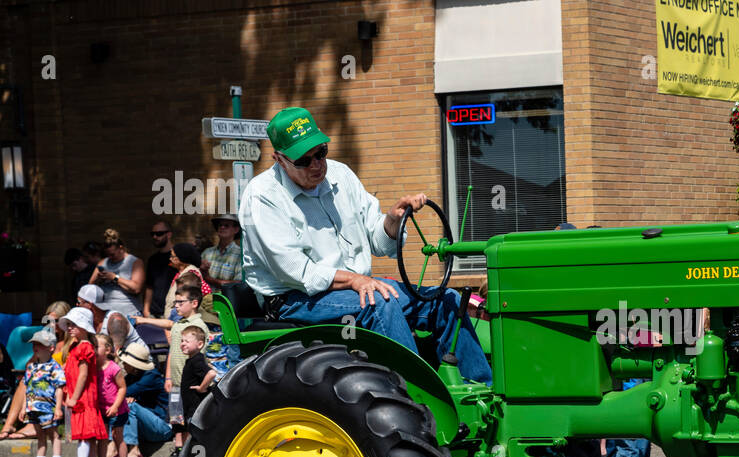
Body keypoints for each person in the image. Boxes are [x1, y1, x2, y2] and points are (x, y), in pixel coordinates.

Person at [239, 106, 489, 380]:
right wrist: (356, 280)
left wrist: (393, 220)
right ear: (279, 159)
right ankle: (421, 400)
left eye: (320, 153)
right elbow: (296, 271)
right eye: (304, 160)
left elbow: (378, 239)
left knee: (447, 300)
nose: (316, 165)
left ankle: (478, 395)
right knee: (380, 303)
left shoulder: (341, 175)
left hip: (355, 288)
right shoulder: (262, 196)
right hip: (293, 298)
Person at [162, 283, 209, 457]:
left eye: (180, 302)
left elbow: (207, 368)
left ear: (194, 303)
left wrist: (202, 386)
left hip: (190, 385)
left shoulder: (198, 327)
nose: (176, 306)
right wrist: (167, 376)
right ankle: (180, 454)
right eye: (175, 302)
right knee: (177, 421)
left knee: (191, 421)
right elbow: (172, 352)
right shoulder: (179, 326)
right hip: (175, 383)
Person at [58, 307, 107, 457]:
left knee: (83, 436)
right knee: (88, 435)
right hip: (85, 396)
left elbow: (84, 374)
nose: (70, 328)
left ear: (84, 326)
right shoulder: (78, 346)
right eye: (68, 325)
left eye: (74, 325)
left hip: (83, 397)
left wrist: (74, 397)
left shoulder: (83, 347)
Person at [13, 330, 65, 457]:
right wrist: (23, 407)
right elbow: (27, 389)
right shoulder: (31, 368)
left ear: (51, 348)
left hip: (48, 406)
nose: (36, 347)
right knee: (40, 435)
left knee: (53, 434)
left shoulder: (54, 367)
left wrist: (58, 408)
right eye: (34, 344)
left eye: (40, 344)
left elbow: (59, 388)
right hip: (32, 406)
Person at [120, 342, 169, 457]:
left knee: (129, 406)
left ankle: (135, 452)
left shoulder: (151, 376)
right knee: (119, 406)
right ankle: (113, 448)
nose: (123, 365)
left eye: (126, 363)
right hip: (146, 427)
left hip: (162, 427)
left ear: (134, 365)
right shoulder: (130, 377)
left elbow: (126, 391)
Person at [88, 228, 145, 317]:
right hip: (105, 308)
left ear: (120, 248)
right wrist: (99, 279)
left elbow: (136, 288)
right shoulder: (103, 262)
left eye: (113, 254)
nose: (110, 257)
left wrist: (115, 278)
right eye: (108, 254)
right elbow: (89, 287)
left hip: (127, 309)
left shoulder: (135, 262)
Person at [77, 283, 147, 353]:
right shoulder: (88, 321)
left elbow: (114, 354)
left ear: (90, 305)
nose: (76, 305)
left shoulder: (115, 320)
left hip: (137, 361)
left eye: (79, 302)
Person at [96, 334, 129, 457]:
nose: (93, 349)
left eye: (97, 346)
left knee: (117, 436)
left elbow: (122, 388)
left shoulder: (113, 368)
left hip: (118, 409)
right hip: (101, 409)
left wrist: (115, 406)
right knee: (102, 438)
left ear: (108, 350)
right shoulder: (93, 368)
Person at [142, 220, 177, 318]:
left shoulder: (179, 257)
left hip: (173, 313)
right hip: (153, 313)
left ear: (169, 234)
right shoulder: (153, 259)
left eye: (159, 234)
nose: (155, 237)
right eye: (152, 234)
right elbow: (149, 287)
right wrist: (146, 310)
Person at [201, 216, 243, 289]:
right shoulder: (207, 252)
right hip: (205, 298)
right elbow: (196, 275)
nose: (222, 227)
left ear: (236, 230)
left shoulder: (240, 255)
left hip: (226, 299)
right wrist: (201, 269)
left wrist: (208, 278)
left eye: (226, 225)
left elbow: (238, 284)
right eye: (220, 225)